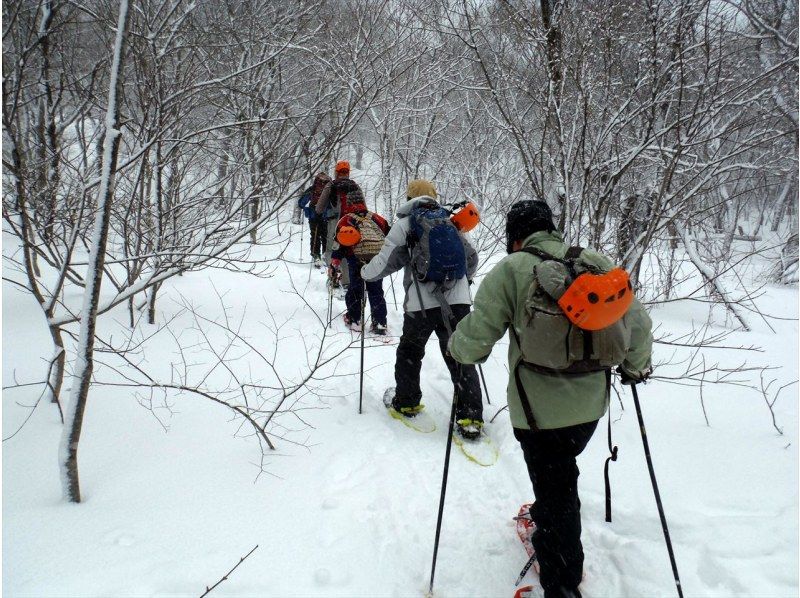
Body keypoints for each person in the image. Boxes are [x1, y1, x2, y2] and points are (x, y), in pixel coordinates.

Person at [447, 200, 653, 598]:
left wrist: (457, 347)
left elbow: (475, 340)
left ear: (515, 236)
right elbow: (638, 322)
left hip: (538, 413)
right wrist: (634, 368)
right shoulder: (593, 260)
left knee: (558, 483)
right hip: (592, 406)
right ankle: (546, 515)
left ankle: (562, 581)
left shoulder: (512, 269)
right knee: (559, 473)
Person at [361, 179, 483, 439]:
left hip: (421, 304)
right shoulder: (450, 222)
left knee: (410, 351)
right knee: (460, 354)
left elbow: (384, 262)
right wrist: (459, 283)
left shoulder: (405, 225)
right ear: (434, 197)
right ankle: (470, 416)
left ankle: (406, 402)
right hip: (459, 302)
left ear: (409, 197)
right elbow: (471, 259)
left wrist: (364, 273)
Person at [330, 201, 389, 334]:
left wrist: (335, 261)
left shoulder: (346, 219)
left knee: (356, 289)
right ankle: (380, 323)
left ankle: (355, 319)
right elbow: (389, 235)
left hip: (356, 258)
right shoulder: (377, 218)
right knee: (376, 291)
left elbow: (339, 242)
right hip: (376, 258)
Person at [315, 160, 366, 289]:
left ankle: (334, 278)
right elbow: (364, 207)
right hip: (353, 224)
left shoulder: (331, 185)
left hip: (335, 224)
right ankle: (348, 281)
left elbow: (319, 208)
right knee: (350, 251)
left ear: (336, 172)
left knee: (333, 250)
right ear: (348, 172)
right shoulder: (355, 186)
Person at [297, 172, 331, 267]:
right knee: (326, 236)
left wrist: (305, 208)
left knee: (315, 236)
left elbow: (301, 203)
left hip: (314, 214)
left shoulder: (312, 189)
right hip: (326, 216)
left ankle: (316, 257)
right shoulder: (330, 189)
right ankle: (326, 256)